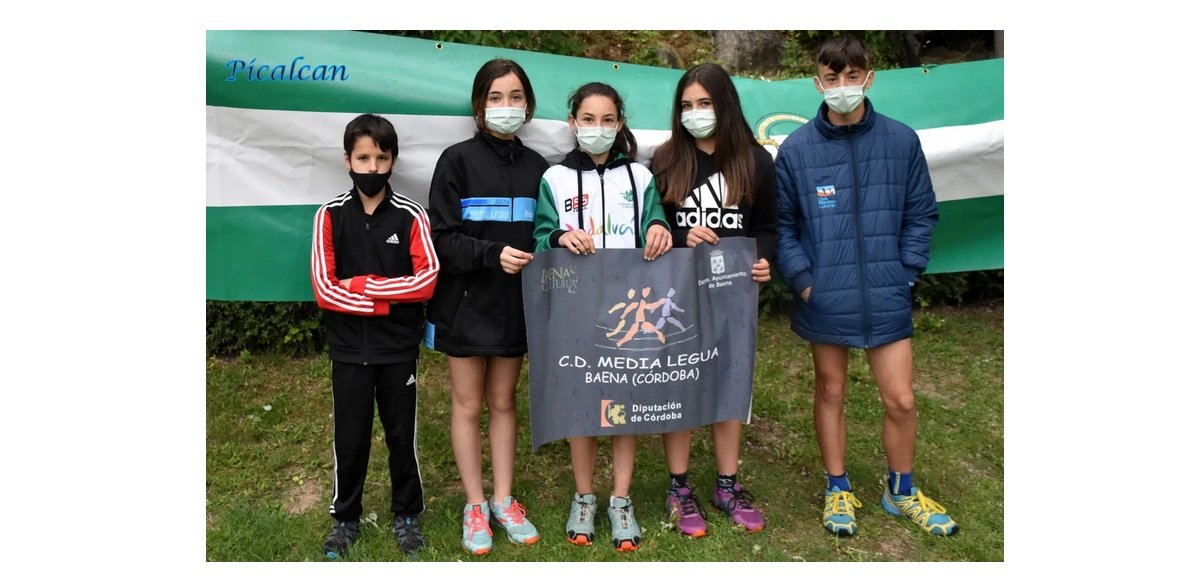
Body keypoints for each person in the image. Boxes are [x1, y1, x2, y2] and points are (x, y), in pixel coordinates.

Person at [774, 35, 957, 537]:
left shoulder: (901, 141)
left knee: (901, 400)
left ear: (869, 78)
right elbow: (784, 227)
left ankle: (901, 491)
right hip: (824, 297)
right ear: (818, 83)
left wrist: (906, 271)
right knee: (831, 390)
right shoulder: (796, 150)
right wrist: (805, 283)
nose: (843, 86)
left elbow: (921, 213)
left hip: (885, 293)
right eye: (832, 78)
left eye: (852, 76)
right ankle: (837, 488)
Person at [532, 81, 672, 552]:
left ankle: (621, 499)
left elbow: (657, 223)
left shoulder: (640, 176)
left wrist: (659, 227)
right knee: (583, 404)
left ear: (620, 124)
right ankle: (584, 496)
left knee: (624, 402)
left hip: (629, 310)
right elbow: (540, 238)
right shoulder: (553, 179)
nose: (598, 128)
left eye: (607, 120)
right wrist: (558, 238)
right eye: (588, 120)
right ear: (572, 123)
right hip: (576, 310)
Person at [426, 58, 548, 555]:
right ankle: (475, 504)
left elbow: (547, 235)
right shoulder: (455, 160)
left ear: (528, 105)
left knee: (503, 402)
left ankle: (503, 499)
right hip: (464, 304)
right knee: (467, 404)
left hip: (515, 306)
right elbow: (440, 238)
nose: (506, 106)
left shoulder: (539, 167)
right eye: (496, 97)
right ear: (479, 106)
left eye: (515, 97)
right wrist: (491, 254)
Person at [650, 63, 777, 538]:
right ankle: (678, 487)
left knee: (729, 384)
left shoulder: (755, 161)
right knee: (681, 384)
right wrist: (681, 236)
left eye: (704, 103)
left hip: (732, 295)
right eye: (686, 105)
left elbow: (769, 227)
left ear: (724, 105)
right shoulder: (665, 160)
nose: (695, 113)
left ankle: (727, 484)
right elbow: (652, 228)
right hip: (678, 296)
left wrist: (763, 260)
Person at [310, 113, 441, 558]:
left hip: (398, 348)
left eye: (381, 159)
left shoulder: (411, 215)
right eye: (363, 158)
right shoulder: (329, 215)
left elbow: (426, 281)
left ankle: (407, 514)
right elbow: (324, 289)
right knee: (350, 438)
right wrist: (387, 298)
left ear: (393, 161)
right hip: (348, 349)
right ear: (347, 160)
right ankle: (345, 518)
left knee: (402, 436)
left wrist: (364, 287)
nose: (372, 168)